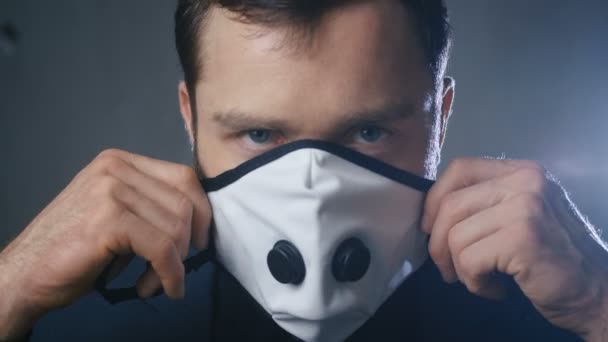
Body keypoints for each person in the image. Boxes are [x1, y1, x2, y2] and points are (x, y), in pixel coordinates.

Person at [1, 0, 607, 341]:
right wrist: (10, 288)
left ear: (440, 117)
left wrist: (597, 301)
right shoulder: (77, 319)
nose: (314, 192)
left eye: (369, 132)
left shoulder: (553, 308)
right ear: (192, 118)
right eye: (260, 134)